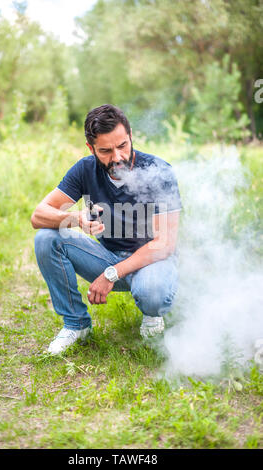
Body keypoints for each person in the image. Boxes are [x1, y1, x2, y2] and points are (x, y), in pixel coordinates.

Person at [31, 104, 182, 354]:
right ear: (91, 148)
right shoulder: (84, 169)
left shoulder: (159, 171)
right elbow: (38, 215)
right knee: (46, 237)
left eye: (122, 145)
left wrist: (111, 274)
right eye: (105, 151)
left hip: (151, 264)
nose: (117, 157)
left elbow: (164, 244)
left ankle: (152, 314)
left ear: (130, 136)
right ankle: (76, 324)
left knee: (152, 291)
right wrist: (76, 218)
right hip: (106, 258)